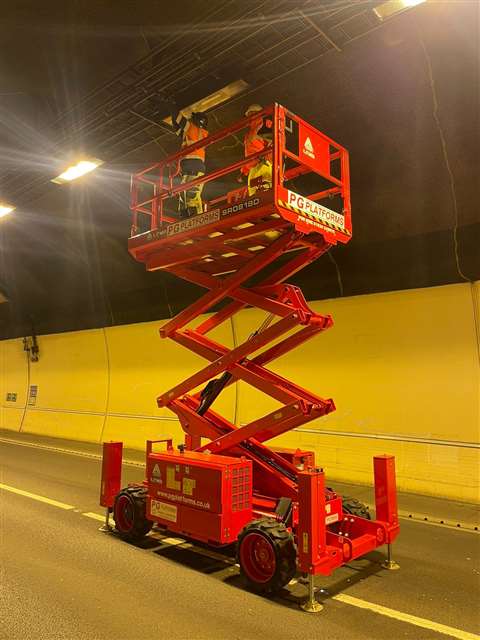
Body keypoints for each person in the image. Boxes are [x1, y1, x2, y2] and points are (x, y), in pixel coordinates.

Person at [170, 101, 209, 217]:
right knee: (184, 195)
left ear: (197, 122)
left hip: (194, 168)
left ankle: (195, 219)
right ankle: (186, 217)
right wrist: (171, 111)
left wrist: (170, 105)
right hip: (191, 169)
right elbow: (177, 128)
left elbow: (179, 119)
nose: (191, 121)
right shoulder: (194, 133)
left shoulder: (194, 129)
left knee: (191, 195)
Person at [241, 104, 273, 196]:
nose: (248, 117)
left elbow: (274, 140)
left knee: (264, 195)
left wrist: (266, 158)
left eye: (250, 114)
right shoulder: (251, 132)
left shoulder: (263, 124)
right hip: (253, 168)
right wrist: (244, 171)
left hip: (263, 164)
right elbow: (249, 152)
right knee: (255, 197)